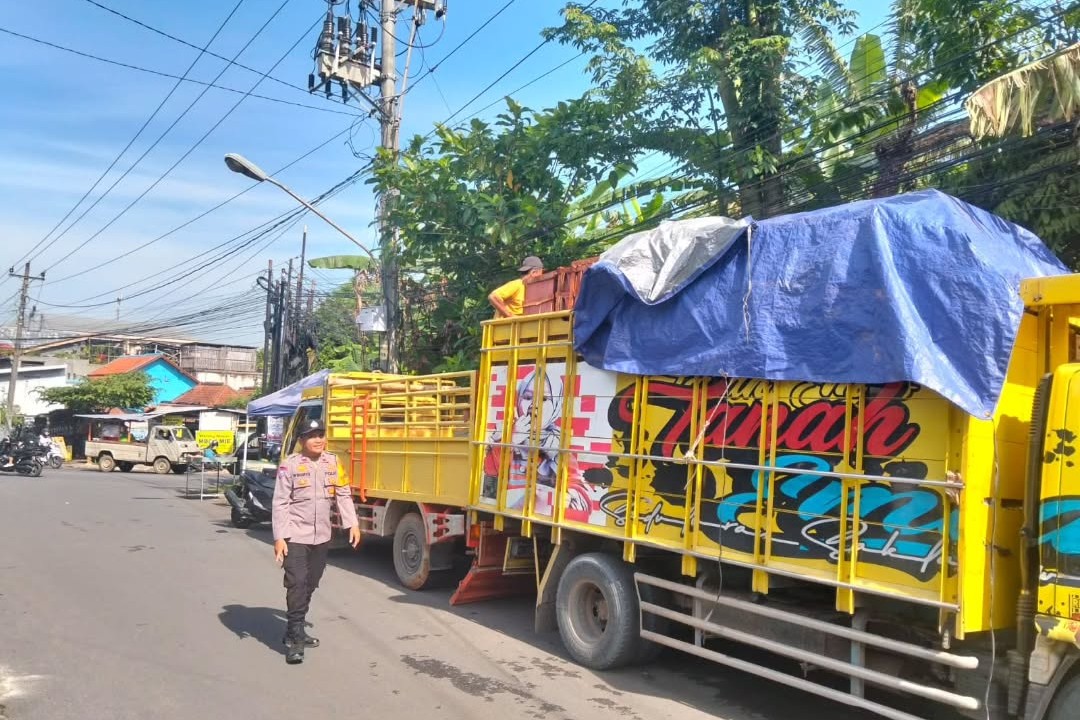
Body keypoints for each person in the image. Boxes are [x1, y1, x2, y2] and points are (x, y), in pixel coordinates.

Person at [272, 419, 360, 665]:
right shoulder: (289, 466)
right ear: (301, 440)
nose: (318, 439)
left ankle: (294, 628)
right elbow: (280, 502)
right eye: (312, 435)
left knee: (311, 583)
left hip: (322, 536)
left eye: (321, 434)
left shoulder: (333, 462)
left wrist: (351, 523)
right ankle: (295, 640)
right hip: (295, 535)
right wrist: (279, 537)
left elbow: (342, 493)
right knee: (297, 583)